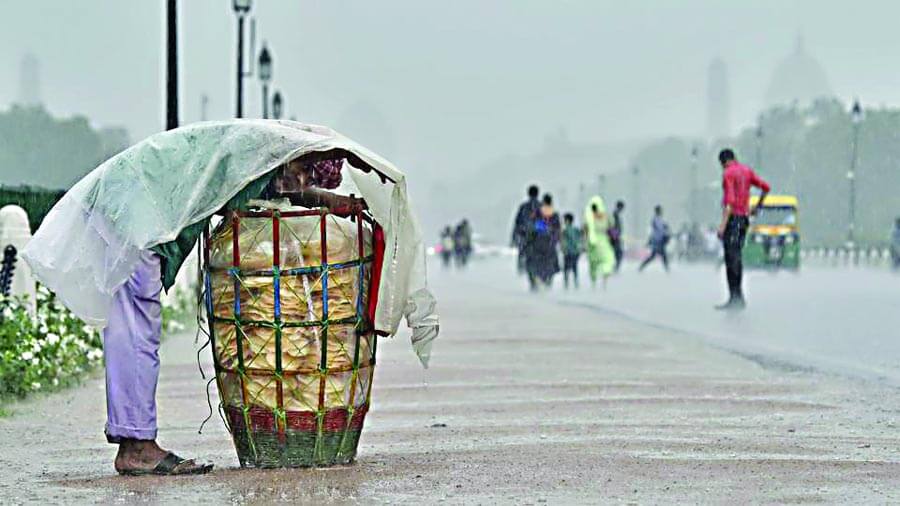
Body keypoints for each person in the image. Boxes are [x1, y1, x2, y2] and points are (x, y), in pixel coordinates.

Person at [716, 148, 770, 310]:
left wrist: (722, 225)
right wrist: (757, 206)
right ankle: (739, 296)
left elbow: (730, 202)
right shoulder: (746, 171)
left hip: (733, 220)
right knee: (737, 256)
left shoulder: (728, 174)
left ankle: (735, 297)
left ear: (723, 162)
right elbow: (765, 187)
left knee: (730, 258)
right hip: (744, 219)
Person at [526, 194, 561, 289]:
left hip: (538, 242)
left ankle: (538, 281)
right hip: (550, 243)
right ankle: (547, 281)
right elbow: (557, 230)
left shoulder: (537, 212)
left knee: (537, 263)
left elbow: (533, 227)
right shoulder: (555, 214)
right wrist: (555, 239)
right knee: (549, 263)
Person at [584, 196, 616, 289]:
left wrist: (585, 242)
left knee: (593, 263)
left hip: (592, 242)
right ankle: (604, 283)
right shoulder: (606, 216)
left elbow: (586, 230)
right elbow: (611, 228)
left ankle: (593, 283)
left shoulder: (589, 218)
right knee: (607, 261)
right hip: (603, 241)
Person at [511, 185, 541, 277]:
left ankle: (525, 271)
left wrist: (514, 238)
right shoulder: (542, 206)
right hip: (539, 238)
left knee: (525, 257)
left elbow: (517, 223)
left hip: (526, 238)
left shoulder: (523, 207)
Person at [639, 205, 670, 272]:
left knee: (655, 256)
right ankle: (667, 269)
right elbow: (659, 229)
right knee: (662, 255)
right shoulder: (655, 219)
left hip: (659, 239)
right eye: (660, 210)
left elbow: (662, 228)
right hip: (657, 240)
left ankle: (642, 266)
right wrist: (665, 230)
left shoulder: (660, 219)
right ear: (657, 211)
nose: (661, 211)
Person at [561, 213, 583, 289]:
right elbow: (580, 240)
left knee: (566, 270)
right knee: (575, 269)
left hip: (568, 253)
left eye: (564, 220)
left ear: (567, 220)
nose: (564, 221)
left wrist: (564, 250)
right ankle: (576, 285)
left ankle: (566, 285)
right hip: (575, 253)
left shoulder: (565, 231)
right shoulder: (576, 230)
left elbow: (564, 242)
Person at [609, 200, 625, 271]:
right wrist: (615, 237)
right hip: (614, 237)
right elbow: (613, 226)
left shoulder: (616, 214)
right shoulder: (615, 214)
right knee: (619, 253)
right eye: (622, 207)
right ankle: (615, 268)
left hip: (615, 236)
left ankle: (615, 267)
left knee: (617, 253)